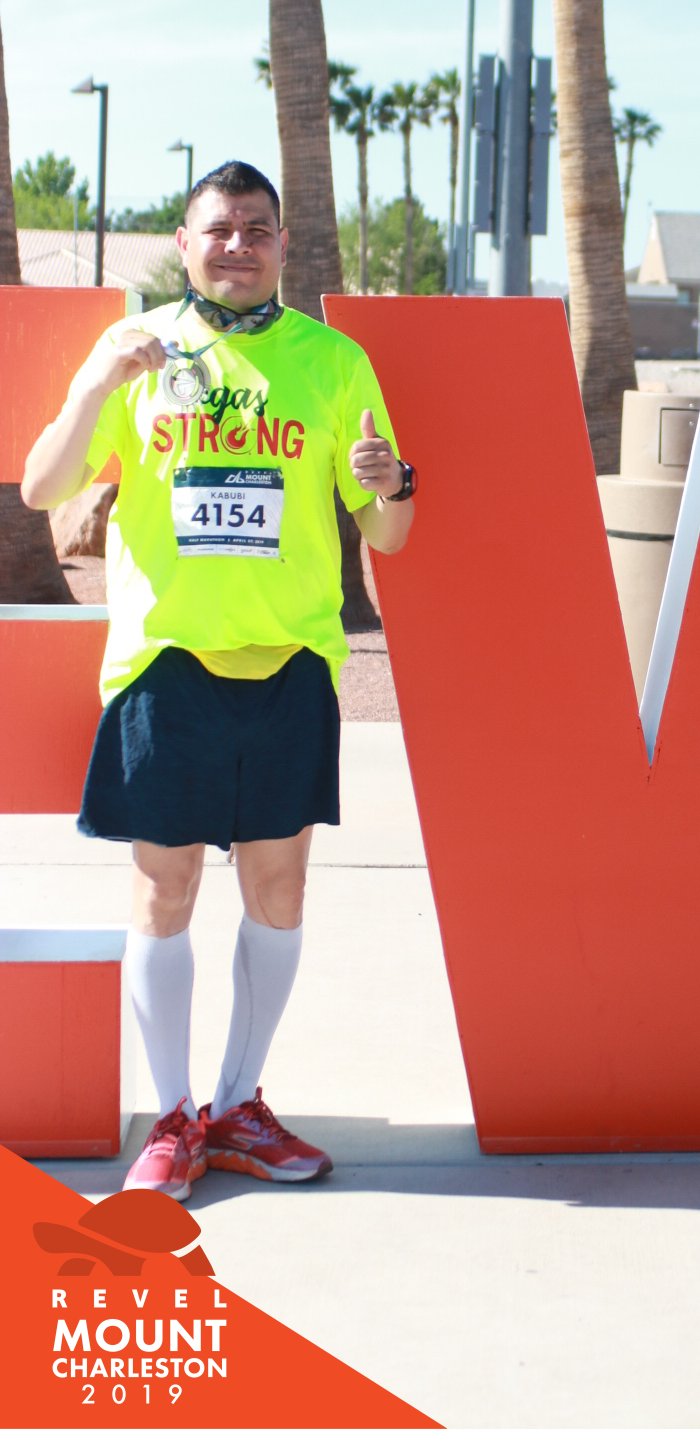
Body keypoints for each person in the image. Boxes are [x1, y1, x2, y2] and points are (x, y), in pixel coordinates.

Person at [22, 161, 415, 1200]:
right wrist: (98, 384)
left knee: (279, 889)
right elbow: (43, 487)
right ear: (185, 243)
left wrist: (393, 483)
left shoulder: (334, 362)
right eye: (219, 228)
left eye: (257, 228)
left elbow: (389, 532)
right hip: (168, 664)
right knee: (167, 886)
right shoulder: (136, 350)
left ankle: (239, 1107)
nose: (238, 244)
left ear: (283, 244)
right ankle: (173, 1117)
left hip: (291, 661)